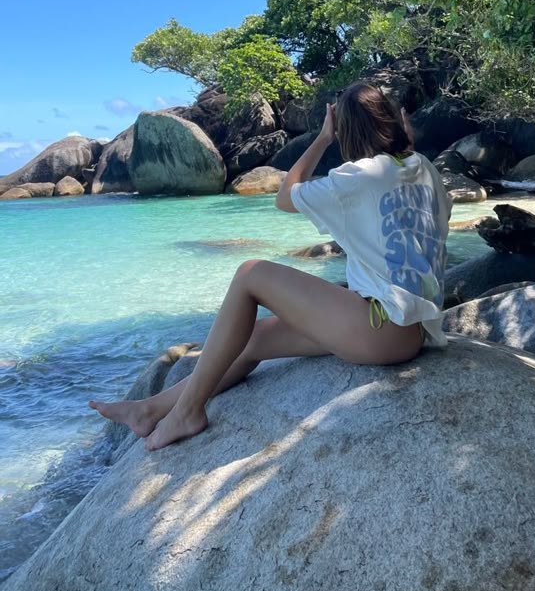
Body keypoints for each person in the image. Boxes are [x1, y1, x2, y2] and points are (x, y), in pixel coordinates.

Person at [89, 81, 450, 450]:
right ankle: (151, 410)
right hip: (412, 330)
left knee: (251, 273)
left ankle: (188, 413)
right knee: (249, 337)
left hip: (380, 329)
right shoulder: (425, 170)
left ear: (347, 131)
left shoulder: (358, 176)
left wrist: (323, 137)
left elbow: (284, 196)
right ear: (391, 121)